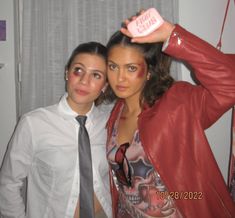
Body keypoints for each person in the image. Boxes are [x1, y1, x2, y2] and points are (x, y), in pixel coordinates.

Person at [104, 9, 235, 218]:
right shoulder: (115, 113)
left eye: (130, 68)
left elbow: (230, 83)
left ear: (148, 72)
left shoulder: (176, 104)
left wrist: (172, 35)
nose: (119, 77)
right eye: (113, 66)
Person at [0, 42, 113, 218]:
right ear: (67, 73)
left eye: (96, 75)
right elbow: (8, 183)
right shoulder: (33, 123)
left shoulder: (109, 123)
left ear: (105, 85)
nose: (84, 81)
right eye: (78, 70)